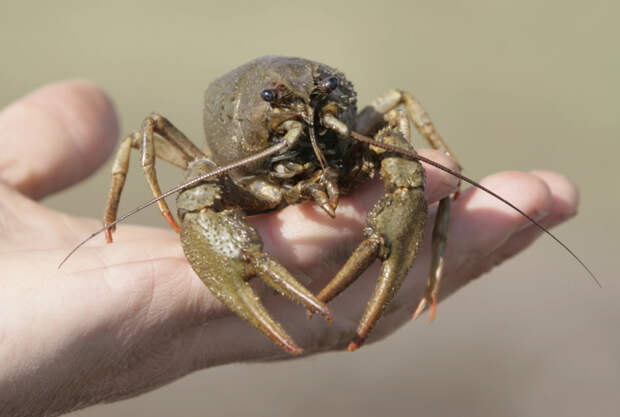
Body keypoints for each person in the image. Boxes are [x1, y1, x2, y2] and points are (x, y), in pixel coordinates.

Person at [0, 80, 578, 416]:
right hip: (247, 179)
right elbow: (147, 145)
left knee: (418, 170)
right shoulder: (225, 159)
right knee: (182, 171)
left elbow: (401, 137)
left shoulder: (350, 130)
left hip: (341, 165)